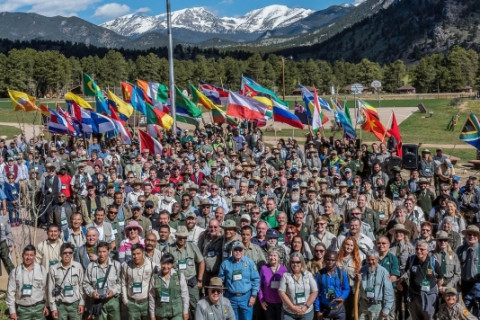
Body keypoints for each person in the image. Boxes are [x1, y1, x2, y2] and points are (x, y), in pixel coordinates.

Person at [162, 225, 205, 319]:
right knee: (178, 308)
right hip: (176, 282)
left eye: (184, 237)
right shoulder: (169, 249)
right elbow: (164, 264)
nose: (182, 239)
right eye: (180, 237)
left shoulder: (192, 247)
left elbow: (201, 261)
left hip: (191, 281)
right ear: (176, 236)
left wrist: (200, 279)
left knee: (195, 307)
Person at [399, 240, 443, 320]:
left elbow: (440, 278)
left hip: (429, 296)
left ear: (427, 251)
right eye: (417, 249)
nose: (419, 251)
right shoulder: (411, 260)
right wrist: (400, 280)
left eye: (422, 249)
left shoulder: (433, 262)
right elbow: (407, 272)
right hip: (414, 295)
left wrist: (438, 288)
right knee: (415, 317)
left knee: (429, 317)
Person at [218, 240, 260, 320]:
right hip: (230, 298)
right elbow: (220, 282)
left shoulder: (250, 263)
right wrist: (222, 298)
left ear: (243, 251)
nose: (238, 252)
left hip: (246, 298)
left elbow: (256, 279)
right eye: (235, 250)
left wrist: (253, 296)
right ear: (232, 251)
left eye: (240, 250)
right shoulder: (225, 263)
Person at [6, 245, 49, 320]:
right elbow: (10, 293)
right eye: (26, 255)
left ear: (34, 256)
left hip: (39, 309)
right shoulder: (15, 272)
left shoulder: (41, 270)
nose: (28, 257)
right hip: (23, 310)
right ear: (22, 255)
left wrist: (46, 305)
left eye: (31, 255)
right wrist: (12, 311)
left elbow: (45, 289)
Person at [83, 241, 122, 320]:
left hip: (113, 300)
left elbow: (121, 283)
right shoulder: (91, 266)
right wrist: (92, 292)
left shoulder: (116, 265)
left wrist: (113, 291)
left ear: (108, 251)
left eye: (104, 251)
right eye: (99, 252)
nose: (101, 254)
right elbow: (85, 284)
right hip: (98, 301)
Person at [47, 243, 85, 320]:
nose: (67, 255)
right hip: (60, 306)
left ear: (72, 254)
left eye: (70, 253)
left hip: (75, 305)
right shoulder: (53, 269)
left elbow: (82, 286)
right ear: (61, 254)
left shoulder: (78, 266)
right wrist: (53, 308)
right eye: (65, 253)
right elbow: (50, 289)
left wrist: (82, 303)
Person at [149, 252, 189, 320]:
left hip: (177, 313)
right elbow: (152, 297)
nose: (165, 266)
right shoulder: (155, 278)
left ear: (172, 265)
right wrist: (152, 315)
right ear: (160, 263)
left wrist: (185, 311)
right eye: (163, 263)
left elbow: (185, 295)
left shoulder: (179, 276)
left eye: (168, 264)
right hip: (161, 313)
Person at [278, 252, 318, 320]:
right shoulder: (285, 276)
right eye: (293, 262)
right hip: (289, 312)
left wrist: (305, 307)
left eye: (298, 262)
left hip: (306, 311)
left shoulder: (308, 275)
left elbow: (314, 291)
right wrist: (292, 307)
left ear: (302, 263)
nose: (295, 264)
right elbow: (281, 292)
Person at [357, 250, 394, 320]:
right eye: (368, 260)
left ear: (377, 259)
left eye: (373, 260)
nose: (370, 262)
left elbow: (389, 293)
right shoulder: (363, 269)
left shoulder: (384, 272)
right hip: (363, 304)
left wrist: (386, 309)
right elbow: (357, 288)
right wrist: (358, 280)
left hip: (376, 306)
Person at [121, 243, 154, 320]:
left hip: (146, 303)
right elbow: (123, 283)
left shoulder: (151, 265)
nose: (136, 256)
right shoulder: (126, 265)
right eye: (134, 254)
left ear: (143, 253)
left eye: (138, 253)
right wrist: (125, 301)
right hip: (132, 303)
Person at [314, 251, 350, 320]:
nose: (330, 262)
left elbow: (346, 288)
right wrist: (318, 310)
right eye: (328, 259)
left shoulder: (342, 273)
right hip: (324, 309)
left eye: (332, 260)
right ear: (324, 260)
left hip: (339, 309)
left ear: (336, 260)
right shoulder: (319, 274)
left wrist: (342, 297)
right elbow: (316, 293)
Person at [258, 248, 287, 320]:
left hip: (281, 302)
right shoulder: (264, 268)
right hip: (268, 303)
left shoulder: (284, 269)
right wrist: (262, 301)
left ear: (278, 257)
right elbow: (260, 285)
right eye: (270, 255)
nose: (272, 257)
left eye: (275, 255)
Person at [0, 209, 14, 273]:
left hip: (2, 244)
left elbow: (9, 233)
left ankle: (14, 277)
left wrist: (10, 245)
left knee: (7, 262)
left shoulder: (4, 220)